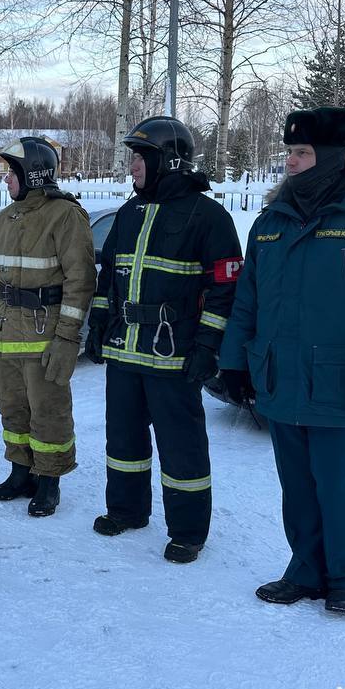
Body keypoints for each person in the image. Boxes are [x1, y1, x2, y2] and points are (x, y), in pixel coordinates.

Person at [218, 106, 345, 613]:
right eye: (288, 151)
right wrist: (236, 364)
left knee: (337, 484)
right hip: (281, 378)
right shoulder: (270, 223)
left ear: (331, 156)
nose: (290, 161)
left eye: (302, 152)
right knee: (297, 484)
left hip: (341, 384)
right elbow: (249, 302)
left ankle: (344, 578)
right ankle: (304, 570)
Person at [87, 116, 242, 563]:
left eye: (140, 157)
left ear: (167, 160)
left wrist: (208, 347)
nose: (132, 166)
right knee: (123, 439)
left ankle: (189, 531)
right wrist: (99, 324)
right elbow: (108, 274)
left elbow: (224, 287)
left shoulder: (208, 216)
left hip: (174, 356)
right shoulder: (129, 213)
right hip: (124, 350)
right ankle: (127, 510)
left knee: (182, 447)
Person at [0, 137, 95, 516]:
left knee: (48, 410)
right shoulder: (4, 219)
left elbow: (81, 281)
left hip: (45, 336)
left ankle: (49, 482)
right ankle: (20, 472)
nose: (6, 180)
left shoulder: (65, 216)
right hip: (6, 332)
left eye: (12, 173)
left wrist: (67, 338)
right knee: (12, 408)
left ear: (34, 174)